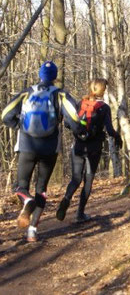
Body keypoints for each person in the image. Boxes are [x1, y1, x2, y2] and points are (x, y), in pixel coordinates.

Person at [1, 61, 83, 242]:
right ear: (54, 77)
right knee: (41, 188)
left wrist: (18, 126)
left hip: (26, 145)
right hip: (49, 148)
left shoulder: (26, 92)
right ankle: (32, 230)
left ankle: (26, 200)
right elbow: (75, 119)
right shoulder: (60, 95)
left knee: (21, 186)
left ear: (39, 75)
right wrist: (78, 132)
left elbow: (5, 115)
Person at [56, 78, 122, 223]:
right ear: (101, 91)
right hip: (94, 148)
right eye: (105, 89)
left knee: (76, 178)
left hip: (78, 146)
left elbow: (68, 123)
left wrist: (80, 133)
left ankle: (66, 199)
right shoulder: (103, 108)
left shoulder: (80, 104)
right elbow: (110, 130)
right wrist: (118, 138)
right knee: (88, 180)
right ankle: (80, 214)